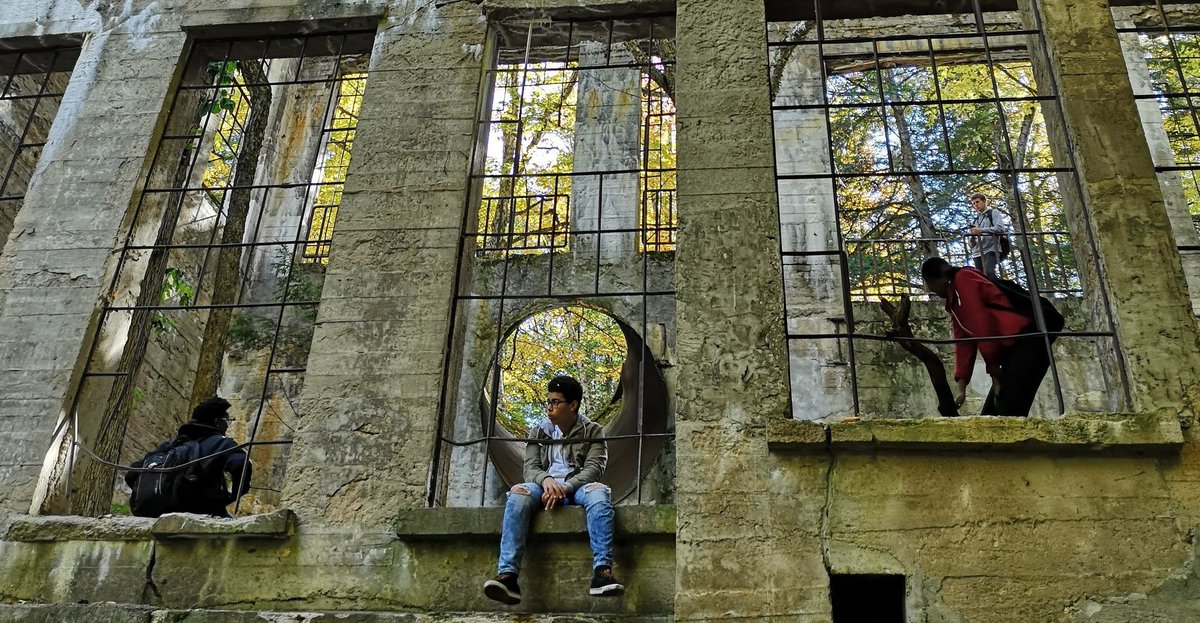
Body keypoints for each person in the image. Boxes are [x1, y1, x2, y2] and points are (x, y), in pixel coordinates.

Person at [483, 375, 624, 605]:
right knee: (519, 493)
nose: (549, 407)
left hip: (576, 487)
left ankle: (602, 573)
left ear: (573, 405)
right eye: (547, 401)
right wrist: (546, 480)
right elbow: (530, 468)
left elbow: (594, 469)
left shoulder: (593, 431)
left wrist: (565, 486)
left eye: (555, 402)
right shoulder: (539, 431)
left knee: (599, 493)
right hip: (543, 487)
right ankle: (508, 576)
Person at [920, 256, 1056, 417]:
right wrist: (962, 388)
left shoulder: (963, 279)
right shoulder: (954, 302)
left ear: (934, 280)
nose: (930, 289)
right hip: (1015, 346)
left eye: (928, 284)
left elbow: (982, 326)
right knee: (993, 412)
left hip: (1031, 336)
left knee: (1009, 407)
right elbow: (963, 342)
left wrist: (994, 372)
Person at [125, 396, 252, 518]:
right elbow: (241, 465)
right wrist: (231, 496)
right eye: (227, 421)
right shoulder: (222, 444)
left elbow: (131, 475)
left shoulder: (169, 446)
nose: (228, 425)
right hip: (200, 512)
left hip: (157, 514)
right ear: (217, 422)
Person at [966, 192, 1010, 278]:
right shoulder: (975, 221)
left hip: (991, 249)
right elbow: (971, 245)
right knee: (981, 277)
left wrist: (981, 230)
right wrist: (972, 237)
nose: (976, 205)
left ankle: (998, 290)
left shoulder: (993, 212)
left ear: (984, 201)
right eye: (973, 203)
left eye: (977, 202)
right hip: (977, 252)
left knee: (990, 273)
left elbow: (1000, 228)